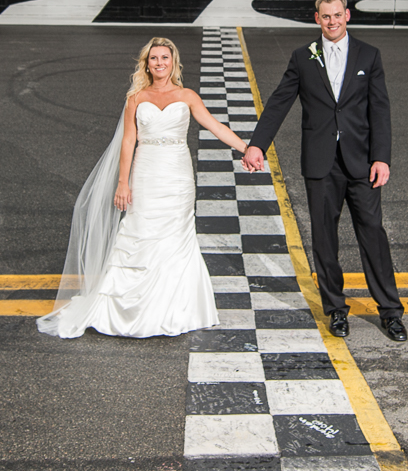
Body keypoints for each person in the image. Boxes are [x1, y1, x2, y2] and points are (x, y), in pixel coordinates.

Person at [38, 37, 251, 339]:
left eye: (165, 57)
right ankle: (131, 310)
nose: (159, 63)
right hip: (146, 171)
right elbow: (128, 142)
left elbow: (215, 126)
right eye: (154, 58)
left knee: (177, 236)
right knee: (140, 233)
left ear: (173, 62)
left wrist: (246, 148)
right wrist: (123, 182)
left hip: (177, 176)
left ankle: (177, 309)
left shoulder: (187, 95)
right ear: (146, 64)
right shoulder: (135, 98)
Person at [244, 0, 406, 341]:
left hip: (362, 163)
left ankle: (390, 312)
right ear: (316, 19)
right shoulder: (303, 57)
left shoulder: (369, 55)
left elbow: (380, 110)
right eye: (325, 16)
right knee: (324, 240)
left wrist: (381, 157)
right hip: (320, 164)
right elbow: (279, 102)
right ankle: (336, 310)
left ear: (347, 15)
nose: (332, 22)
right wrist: (257, 144)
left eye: (337, 15)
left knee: (373, 235)